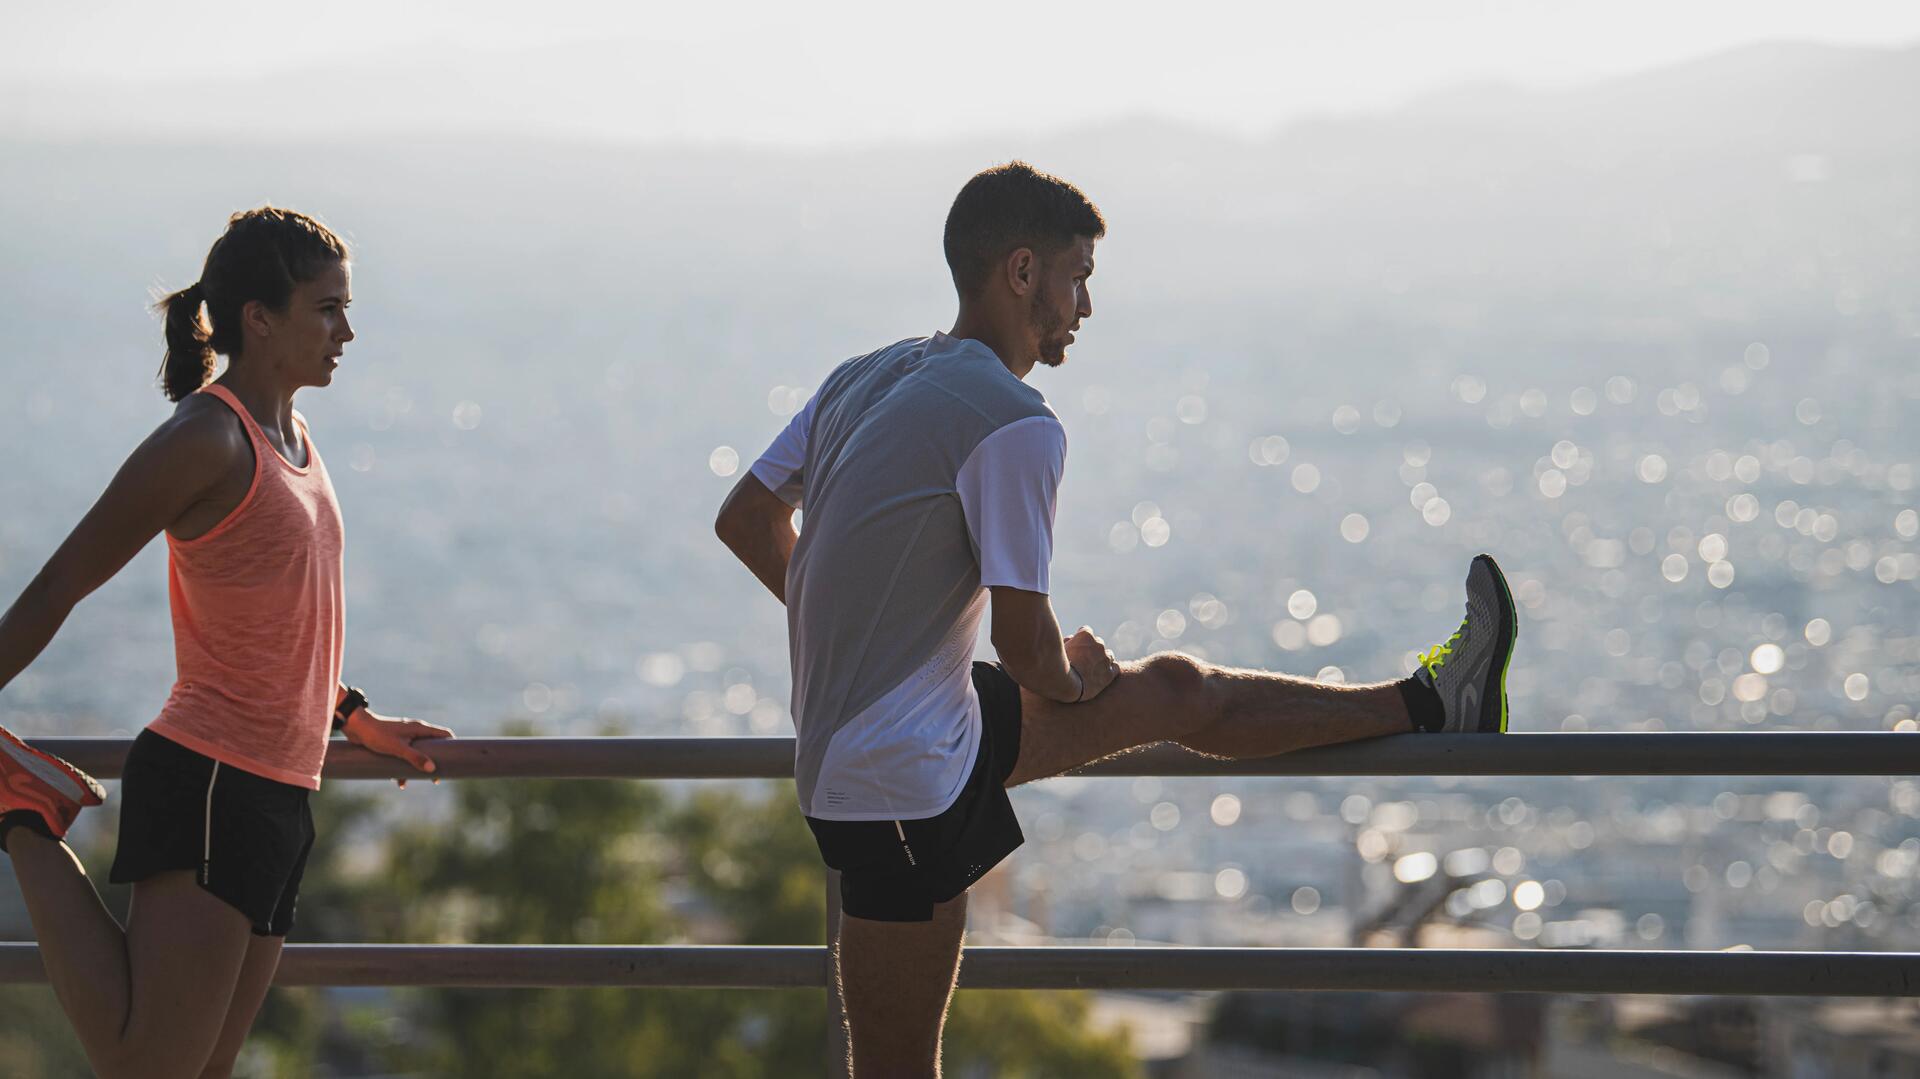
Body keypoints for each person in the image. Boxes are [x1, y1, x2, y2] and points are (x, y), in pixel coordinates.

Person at [716, 161, 1519, 1076]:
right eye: (1078, 275)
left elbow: (746, 519)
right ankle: (1428, 703)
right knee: (898, 1067)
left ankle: (1428, 701)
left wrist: (863, 626)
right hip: (896, 781)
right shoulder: (1013, 421)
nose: (1085, 305)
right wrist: (1071, 676)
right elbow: (1026, 649)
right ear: (1022, 273)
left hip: (919, 729)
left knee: (1179, 689)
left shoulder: (864, 375)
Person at [0, 206, 452, 1079]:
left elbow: (283, 621)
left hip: (280, 794)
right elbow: (62, 580)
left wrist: (349, 713)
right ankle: (22, 811)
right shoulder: (204, 440)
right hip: (210, 777)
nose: (347, 331)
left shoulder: (297, 438)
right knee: (146, 1071)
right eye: (327, 309)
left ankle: (21, 806)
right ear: (259, 317)